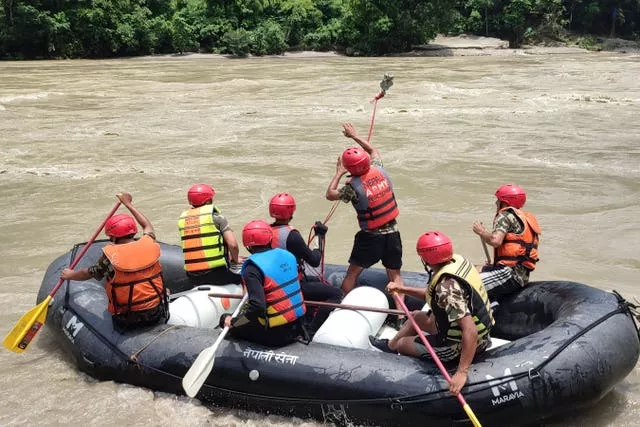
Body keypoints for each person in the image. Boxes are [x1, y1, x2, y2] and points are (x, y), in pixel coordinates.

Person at [369, 231, 494, 395]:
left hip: (462, 344)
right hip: (475, 333)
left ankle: (402, 350)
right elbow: (431, 294)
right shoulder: (458, 263)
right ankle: (390, 347)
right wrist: (402, 288)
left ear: (426, 259)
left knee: (403, 344)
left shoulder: (446, 288)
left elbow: (469, 330)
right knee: (417, 317)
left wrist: (462, 372)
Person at [61, 193, 168, 331]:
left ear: (112, 236)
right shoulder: (149, 243)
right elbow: (147, 225)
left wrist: (70, 275)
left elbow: (88, 273)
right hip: (156, 313)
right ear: (133, 231)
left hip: (127, 319)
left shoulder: (110, 258)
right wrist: (128, 204)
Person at [325, 122, 403, 297]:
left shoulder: (352, 188)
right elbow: (373, 150)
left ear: (349, 168)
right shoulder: (379, 169)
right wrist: (354, 135)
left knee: (351, 274)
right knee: (395, 276)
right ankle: (400, 316)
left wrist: (338, 172)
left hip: (370, 237)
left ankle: (349, 306)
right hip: (393, 234)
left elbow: (330, 194)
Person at [220, 220, 307, 347]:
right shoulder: (289, 256)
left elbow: (257, 308)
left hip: (275, 334)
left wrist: (234, 322)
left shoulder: (252, 268)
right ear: (270, 238)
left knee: (225, 318)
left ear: (247, 245)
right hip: (298, 325)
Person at [268, 192, 342, 336]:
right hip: (291, 286)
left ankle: (305, 316)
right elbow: (314, 260)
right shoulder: (292, 235)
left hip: (272, 283)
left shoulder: (266, 231)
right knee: (336, 294)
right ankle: (312, 329)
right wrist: (319, 237)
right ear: (292, 211)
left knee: (315, 281)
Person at [472, 184, 541, 302]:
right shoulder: (525, 219)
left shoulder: (505, 216)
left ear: (504, 202)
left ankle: (484, 313)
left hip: (509, 275)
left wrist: (481, 232)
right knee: (473, 268)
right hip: (521, 275)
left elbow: (495, 241)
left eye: (498, 200)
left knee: (464, 284)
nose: (496, 203)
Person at [178, 183, 243, 287]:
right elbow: (233, 244)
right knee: (247, 276)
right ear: (208, 201)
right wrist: (235, 260)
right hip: (216, 273)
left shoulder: (182, 220)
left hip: (192, 276)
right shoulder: (217, 218)